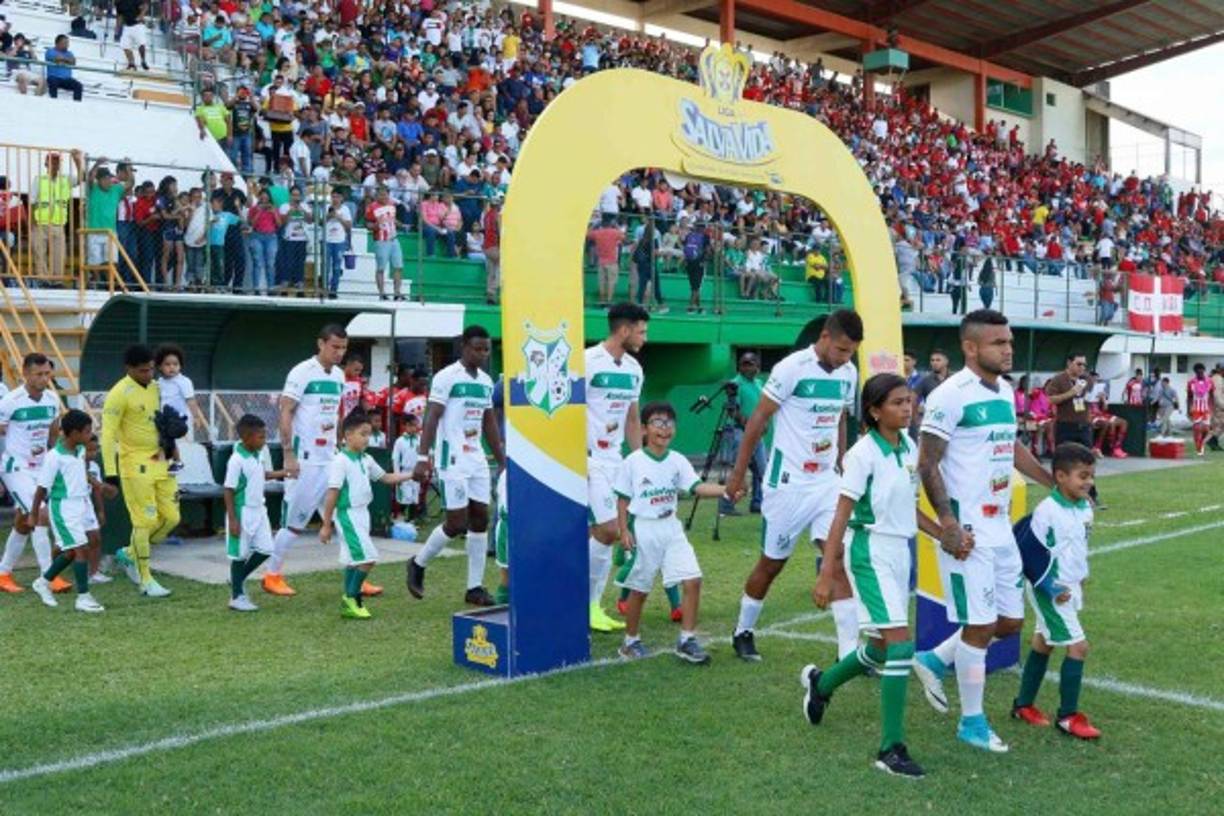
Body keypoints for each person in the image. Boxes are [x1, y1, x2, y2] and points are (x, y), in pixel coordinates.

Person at [909, 309, 1054, 753]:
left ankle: (933, 659)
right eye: (998, 343)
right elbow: (927, 462)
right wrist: (947, 524)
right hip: (967, 530)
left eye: (1009, 342)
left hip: (1000, 526)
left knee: (1008, 622)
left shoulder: (1006, 390)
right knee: (979, 625)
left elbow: (1009, 446)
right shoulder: (949, 396)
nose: (1008, 349)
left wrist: (1054, 482)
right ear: (970, 348)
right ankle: (971, 723)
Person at [806, 374, 948, 779]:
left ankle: (823, 684)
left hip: (899, 550)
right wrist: (827, 572)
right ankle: (891, 748)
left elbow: (908, 508)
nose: (908, 408)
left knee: (881, 647)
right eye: (898, 403)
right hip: (869, 552)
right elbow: (841, 514)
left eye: (910, 401)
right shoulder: (861, 454)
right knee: (901, 647)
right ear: (874, 410)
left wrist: (942, 534)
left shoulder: (908, 446)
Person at [726, 310, 862, 662]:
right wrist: (739, 474)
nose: (846, 358)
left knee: (837, 557)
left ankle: (849, 655)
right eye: (843, 349)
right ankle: (743, 630)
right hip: (787, 484)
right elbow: (758, 420)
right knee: (772, 564)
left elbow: (841, 417)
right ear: (826, 337)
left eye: (852, 352)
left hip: (826, 484)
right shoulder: (791, 368)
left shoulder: (848, 373)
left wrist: (842, 458)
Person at [614, 401, 725, 664]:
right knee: (639, 590)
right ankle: (630, 642)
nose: (664, 429)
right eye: (657, 423)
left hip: (671, 527)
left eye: (669, 423)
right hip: (644, 528)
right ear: (643, 429)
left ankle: (686, 639)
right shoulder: (633, 462)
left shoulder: (677, 460)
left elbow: (696, 487)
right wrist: (623, 531)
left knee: (693, 579)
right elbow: (622, 498)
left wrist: (725, 489)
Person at [262, 325, 366, 597]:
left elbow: (336, 415)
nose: (339, 353)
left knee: (344, 517)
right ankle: (272, 574)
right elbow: (285, 411)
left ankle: (358, 573)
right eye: (335, 347)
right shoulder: (301, 372)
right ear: (320, 344)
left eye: (343, 348)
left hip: (330, 459)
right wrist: (288, 453)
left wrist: (343, 444)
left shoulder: (340, 376)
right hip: (305, 461)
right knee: (295, 523)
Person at [407, 325, 505, 606]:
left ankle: (474, 588)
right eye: (477, 348)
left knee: (480, 520)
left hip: (476, 459)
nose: (483, 354)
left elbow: (488, 421)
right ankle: (418, 563)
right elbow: (432, 417)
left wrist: (500, 459)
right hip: (453, 458)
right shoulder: (446, 377)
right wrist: (423, 457)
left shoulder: (486, 381)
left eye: (486, 349)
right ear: (464, 346)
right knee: (456, 522)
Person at [1011, 443, 1101, 740]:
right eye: (1082, 475)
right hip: (1050, 588)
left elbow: (1078, 546)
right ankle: (1068, 716)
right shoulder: (1046, 511)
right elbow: (1029, 553)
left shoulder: (1086, 507)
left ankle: (1023, 705)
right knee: (1078, 647)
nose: (1088, 482)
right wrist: (1050, 586)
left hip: (1071, 585)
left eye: (1091, 476)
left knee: (1043, 642)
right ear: (1060, 476)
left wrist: (1080, 576)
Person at [585, 303, 648, 632]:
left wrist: (640, 463)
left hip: (616, 460)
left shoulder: (635, 369)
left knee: (601, 535)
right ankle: (588, 604)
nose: (644, 338)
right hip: (587, 458)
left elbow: (633, 418)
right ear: (624, 330)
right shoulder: (586, 361)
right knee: (610, 530)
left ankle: (589, 604)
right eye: (641, 331)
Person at [101, 344, 180, 597]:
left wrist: (173, 441)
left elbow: (162, 424)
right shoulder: (119, 393)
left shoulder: (157, 388)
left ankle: (129, 554)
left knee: (171, 518)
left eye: (151, 369)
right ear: (129, 369)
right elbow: (107, 435)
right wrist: (110, 473)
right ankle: (146, 580)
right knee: (144, 522)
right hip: (134, 465)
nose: (149, 374)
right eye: (143, 371)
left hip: (161, 462)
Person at [320, 411, 415, 619]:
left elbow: (386, 478)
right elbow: (333, 492)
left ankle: (349, 601)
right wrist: (326, 524)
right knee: (368, 558)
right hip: (348, 515)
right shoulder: (340, 461)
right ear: (347, 435)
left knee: (354, 560)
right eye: (362, 434)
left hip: (363, 514)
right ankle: (352, 599)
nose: (367, 439)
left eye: (369, 434)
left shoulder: (366, 459)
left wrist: (411, 474)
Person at [0, 353, 67, 594]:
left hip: (40, 468)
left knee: (23, 522)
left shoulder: (50, 399)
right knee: (39, 514)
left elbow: (53, 431)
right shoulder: (10, 401)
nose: (44, 378)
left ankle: (3, 572)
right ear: (25, 374)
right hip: (15, 467)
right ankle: (48, 576)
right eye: (38, 374)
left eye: (48, 374)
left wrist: (54, 458)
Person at [28, 410, 104, 613]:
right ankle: (83, 597)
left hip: (80, 505)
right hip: (63, 507)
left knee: (71, 552)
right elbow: (42, 488)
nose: (90, 436)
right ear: (73, 433)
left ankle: (43, 582)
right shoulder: (54, 457)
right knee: (81, 550)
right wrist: (34, 513)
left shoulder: (79, 450)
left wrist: (96, 484)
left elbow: (80, 474)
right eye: (87, 432)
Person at [222, 414, 285, 612]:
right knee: (239, 555)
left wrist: (284, 473)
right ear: (247, 437)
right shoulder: (236, 460)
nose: (264, 440)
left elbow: (261, 475)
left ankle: (236, 579)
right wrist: (233, 519)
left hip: (260, 511)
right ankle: (236, 597)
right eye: (261, 437)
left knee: (266, 549)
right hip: (242, 512)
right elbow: (228, 489)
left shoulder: (257, 454)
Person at [720, 352, 767, 515]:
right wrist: (750, 425)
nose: (746, 367)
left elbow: (763, 407)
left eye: (750, 364)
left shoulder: (759, 383)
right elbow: (732, 410)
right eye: (743, 364)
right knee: (738, 471)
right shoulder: (736, 383)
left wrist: (763, 424)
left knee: (763, 470)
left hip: (758, 434)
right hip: (741, 432)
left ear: (757, 367)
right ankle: (726, 504)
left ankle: (758, 503)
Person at [155, 344, 208, 474]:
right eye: (167, 364)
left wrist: (196, 417)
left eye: (175, 364)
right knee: (161, 437)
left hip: (179, 417)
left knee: (168, 437)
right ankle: (166, 459)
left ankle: (178, 461)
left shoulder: (184, 381)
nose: (172, 367)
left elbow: (190, 400)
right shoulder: (159, 382)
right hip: (165, 416)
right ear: (160, 366)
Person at [30, 150, 83, 281]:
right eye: (52, 161)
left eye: (57, 162)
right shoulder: (39, 180)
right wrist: (32, 221)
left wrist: (77, 160)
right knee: (39, 253)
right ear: (46, 164)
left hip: (58, 223)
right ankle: (43, 280)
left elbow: (82, 178)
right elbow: (32, 202)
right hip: (40, 223)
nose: (54, 164)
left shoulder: (65, 179)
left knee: (59, 254)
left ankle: (56, 280)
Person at [365, 187, 405, 301]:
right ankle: (382, 293)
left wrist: (400, 224)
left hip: (394, 239)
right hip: (381, 240)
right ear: (377, 195)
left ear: (388, 195)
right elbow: (368, 225)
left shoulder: (392, 205)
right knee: (381, 268)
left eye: (385, 194)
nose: (383, 197)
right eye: (380, 195)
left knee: (398, 266)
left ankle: (397, 292)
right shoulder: (372, 207)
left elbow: (392, 220)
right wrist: (376, 225)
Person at [588, 217, 625, 308]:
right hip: (612, 261)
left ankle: (602, 302)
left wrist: (594, 225)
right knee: (611, 282)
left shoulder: (597, 233)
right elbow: (624, 236)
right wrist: (616, 226)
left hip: (601, 262)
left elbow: (587, 234)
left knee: (602, 282)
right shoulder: (615, 232)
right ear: (611, 225)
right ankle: (608, 302)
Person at [392, 413, 421, 521]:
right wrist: (397, 475)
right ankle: (399, 519)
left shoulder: (419, 439)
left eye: (416, 425)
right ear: (405, 426)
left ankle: (412, 521)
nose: (415, 428)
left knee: (414, 498)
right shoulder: (400, 441)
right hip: (404, 473)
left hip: (416, 472)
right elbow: (395, 459)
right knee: (404, 498)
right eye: (412, 425)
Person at [323, 190, 352, 299]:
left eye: (337, 197)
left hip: (339, 241)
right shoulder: (326, 207)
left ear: (341, 198)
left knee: (336, 267)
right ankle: (324, 289)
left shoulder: (345, 209)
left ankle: (333, 290)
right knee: (325, 266)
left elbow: (349, 226)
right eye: (333, 197)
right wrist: (329, 216)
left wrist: (339, 217)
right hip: (327, 240)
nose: (335, 199)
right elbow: (321, 222)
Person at [1187, 363, 1215, 456]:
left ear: (1204, 371)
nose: (1200, 374)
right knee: (1196, 428)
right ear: (1195, 372)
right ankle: (1198, 448)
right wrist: (1189, 408)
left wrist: (1212, 408)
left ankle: (1201, 443)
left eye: (1202, 372)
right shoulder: (1191, 382)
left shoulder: (1210, 382)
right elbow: (1189, 397)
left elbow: (1212, 396)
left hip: (1206, 409)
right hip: (1196, 409)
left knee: (1206, 429)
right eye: (1198, 372)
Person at [44, 35, 83, 101]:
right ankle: (53, 102)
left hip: (67, 79)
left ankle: (77, 106)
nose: (67, 45)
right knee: (53, 82)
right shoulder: (50, 51)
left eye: (67, 43)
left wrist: (62, 59)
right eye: (65, 43)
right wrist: (66, 60)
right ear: (58, 43)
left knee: (78, 85)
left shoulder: (69, 53)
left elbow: (73, 62)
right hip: (54, 77)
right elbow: (57, 58)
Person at [115, 0, 149, 71]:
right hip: (127, 26)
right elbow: (120, 16)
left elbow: (145, 7)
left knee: (141, 44)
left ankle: (143, 60)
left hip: (137, 25)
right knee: (125, 46)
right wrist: (117, 29)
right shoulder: (119, 3)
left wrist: (141, 16)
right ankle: (131, 63)